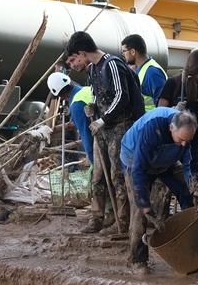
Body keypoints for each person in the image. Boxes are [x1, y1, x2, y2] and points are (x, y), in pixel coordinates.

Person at [65, 31, 145, 234]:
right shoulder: (92, 70)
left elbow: (122, 96)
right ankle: (97, 217)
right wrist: (92, 107)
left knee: (118, 175)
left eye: (73, 59)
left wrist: (103, 119)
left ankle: (123, 222)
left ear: (82, 53)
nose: (73, 65)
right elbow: (95, 93)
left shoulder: (112, 64)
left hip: (120, 127)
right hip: (102, 128)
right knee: (98, 175)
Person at [120, 108, 198, 274]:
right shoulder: (152, 127)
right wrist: (145, 206)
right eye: (181, 139)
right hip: (134, 159)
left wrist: (195, 187)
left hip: (168, 160)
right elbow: (139, 170)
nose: (185, 143)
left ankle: (195, 249)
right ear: (171, 128)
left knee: (189, 198)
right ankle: (137, 259)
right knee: (139, 213)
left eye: (188, 140)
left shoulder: (193, 131)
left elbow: (193, 162)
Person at [46, 70, 94, 165]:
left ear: (61, 96)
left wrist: (93, 161)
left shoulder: (76, 106)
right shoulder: (88, 89)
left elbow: (87, 137)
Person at [121, 34, 167, 111]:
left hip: (152, 121)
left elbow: (162, 106)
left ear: (133, 52)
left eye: (124, 51)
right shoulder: (142, 69)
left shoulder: (152, 73)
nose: (123, 55)